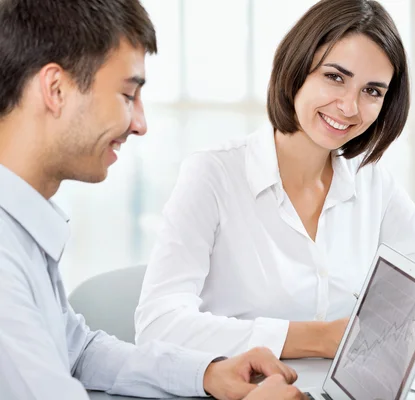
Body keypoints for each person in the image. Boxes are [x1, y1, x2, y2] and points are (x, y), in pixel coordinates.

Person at [135, 0, 415, 373]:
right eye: (334, 77)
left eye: (372, 91)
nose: (349, 107)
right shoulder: (213, 174)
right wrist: (321, 337)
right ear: (296, 71)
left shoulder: (370, 181)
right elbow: (158, 324)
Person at [0, 0, 306, 399]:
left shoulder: (20, 224)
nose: (140, 124)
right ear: (55, 89)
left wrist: (207, 374)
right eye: (128, 95)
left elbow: (77, 351)